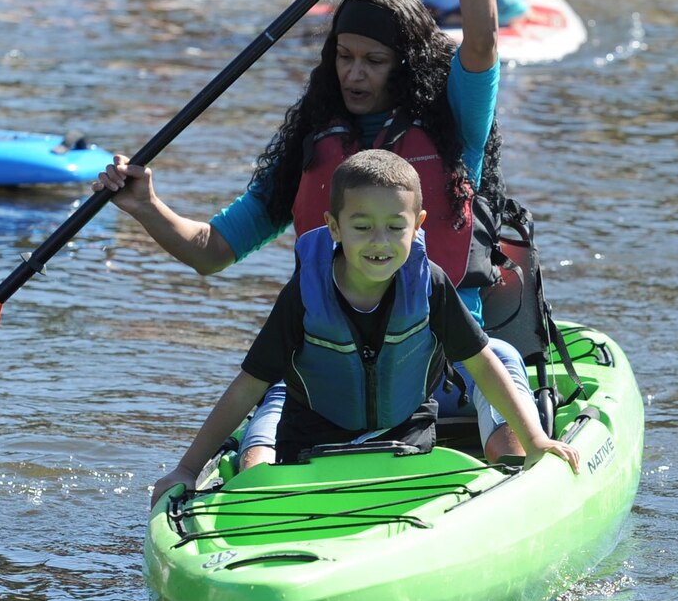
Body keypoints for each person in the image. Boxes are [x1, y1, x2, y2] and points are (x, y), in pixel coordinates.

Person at [95, 0, 534, 462]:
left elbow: (482, 40)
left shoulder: (453, 123)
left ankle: (510, 486)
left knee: (504, 370)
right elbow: (211, 251)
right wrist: (146, 207)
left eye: (373, 61)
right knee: (267, 417)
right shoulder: (313, 146)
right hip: (330, 370)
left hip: (451, 359)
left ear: (405, 65)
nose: (354, 73)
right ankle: (251, 504)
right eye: (344, 56)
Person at [147, 150, 579, 507]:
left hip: (407, 445)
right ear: (334, 227)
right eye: (362, 227)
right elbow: (248, 385)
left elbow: (482, 364)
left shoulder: (430, 284)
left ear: (418, 225)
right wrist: (187, 468)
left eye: (395, 227)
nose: (380, 242)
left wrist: (536, 440)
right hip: (312, 448)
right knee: (261, 446)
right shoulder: (303, 294)